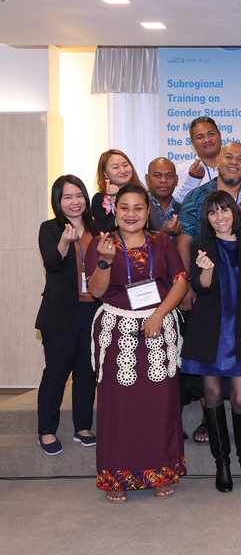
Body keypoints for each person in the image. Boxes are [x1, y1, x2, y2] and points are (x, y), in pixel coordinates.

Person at [85, 184, 188, 503]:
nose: (131, 214)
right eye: (125, 207)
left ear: (148, 212)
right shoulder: (102, 243)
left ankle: (161, 472)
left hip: (158, 327)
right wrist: (104, 262)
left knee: (161, 404)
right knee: (119, 407)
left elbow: (180, 281)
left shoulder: (163, 242)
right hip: (117, 331)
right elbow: (97, 291)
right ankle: (117, 476)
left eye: (138, 208)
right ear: (115, 209)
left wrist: (158, 315)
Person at [180, 192, 241, 492]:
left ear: (234, 213)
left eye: (224, 210)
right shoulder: (201, 246)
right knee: (213, 397)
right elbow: (200, 288)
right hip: (209, 334)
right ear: (207, 218)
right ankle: (222, 463)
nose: (220, 217)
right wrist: (207, 269)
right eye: (213, 212)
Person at [35, 175, 100, 455]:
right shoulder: (49, 228)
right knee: (57, 371)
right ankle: (46, 430)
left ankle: (83, 427)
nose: (75, 202)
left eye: (79, 195)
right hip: (60, 313)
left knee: (86, 371)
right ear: (58, 201)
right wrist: (64, 241)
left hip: (92, 309)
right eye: (67, 197)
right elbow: (52, 264)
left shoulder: (97, 227)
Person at [172, 117, 241, 203]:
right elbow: (178, 205)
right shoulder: (182, 170)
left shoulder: (235, 167)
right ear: (192, 142)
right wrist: (192, 180)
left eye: (211, 134)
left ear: (220, 135)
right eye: (200, 137)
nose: (207, 140)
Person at [91, 149, 144, 232]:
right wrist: (114, 199)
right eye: (116, 167)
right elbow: (107, 230)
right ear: (105, 173)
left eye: (125, 165)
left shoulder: (142, 195)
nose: (122, 170)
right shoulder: (99, 199)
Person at [145, 157, 183, 236]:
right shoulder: (138, 208)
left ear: (176, 180)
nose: (163, 180)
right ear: (147, 179)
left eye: (169, 176)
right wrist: (162, 233)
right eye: (157, 175)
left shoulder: (184, 210)